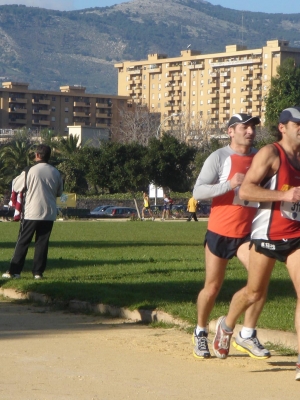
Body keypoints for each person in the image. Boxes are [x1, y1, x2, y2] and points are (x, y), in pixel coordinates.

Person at [212, 106, 300, 380]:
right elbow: (246, 189)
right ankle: (226, 326)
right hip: (267, 235)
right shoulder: (271, 154)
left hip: (296, 235)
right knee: (253, 292)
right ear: (283, 127)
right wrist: (283, 197)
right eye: (298, 124)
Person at [192, 113, 270, 360]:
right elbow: (198, 191)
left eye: (252, 128)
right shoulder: (219, 157)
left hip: (248, 234)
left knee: (259, 284)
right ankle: (201, 332)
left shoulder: (261, 158)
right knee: (212, 288)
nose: (250, 132)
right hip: (220, 232)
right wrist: (229, 184)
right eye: (244, 128)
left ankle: (246, 333)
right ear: (230, 131)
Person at [2, 144, 63, 280]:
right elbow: (59, 192)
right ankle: (38, 273)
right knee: (42, 243)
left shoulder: (30, 170)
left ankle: (14, 271)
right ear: (49, 156)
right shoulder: (55, 172)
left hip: (32, 212)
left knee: (23, 241)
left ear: (37, 155)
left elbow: (17, 186)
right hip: (49, 213)